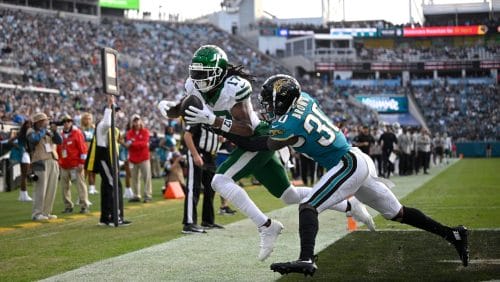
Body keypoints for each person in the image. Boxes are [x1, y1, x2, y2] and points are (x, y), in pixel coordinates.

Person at [235, 74, 468, 275]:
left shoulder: (287, 125)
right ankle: (452, 234)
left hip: (348, 164)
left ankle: (306, 258)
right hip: (356, 160)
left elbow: (266, 144)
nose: (266, 106)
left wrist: (223, 127)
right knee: (397, 213)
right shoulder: (304, 99)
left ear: (281, 100)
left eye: (269, 101)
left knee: (308, 205)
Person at [157, 45, 374, 261]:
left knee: (220, 180)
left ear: (220, 72)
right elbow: (183, 109)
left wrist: (214, 120)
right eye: (195, 73)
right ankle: (349, 205)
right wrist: (169, 109)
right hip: (245, 146)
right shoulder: (194, 86)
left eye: (204, 74)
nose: (198, 79)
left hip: (257, 140)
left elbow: (247, 129)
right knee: (289, 196)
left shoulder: (233, 88)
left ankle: (266, 226)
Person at [85, 96, 130, 226]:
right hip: (105, 160)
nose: (115, 114)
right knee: (114, 186)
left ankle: (105, 217)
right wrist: (109, 107)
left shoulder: (113, 129)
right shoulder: (102, 126)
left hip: (110, 160)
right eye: (114, 111)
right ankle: (114, 217)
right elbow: (106, 123)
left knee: (107, 187)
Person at [182, 122, 225, 233]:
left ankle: (207, 220)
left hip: (211, 155)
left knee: (211, 189)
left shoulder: (217, 116)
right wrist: (195, 155)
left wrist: (220, 139)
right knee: (194, 187)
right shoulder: (199, 114)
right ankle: (189, 223)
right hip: (198, 152)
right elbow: (187, 135)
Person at [27, 112, 62, 221]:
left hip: (52, 159)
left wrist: (55, 132)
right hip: (40, 161)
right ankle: (37, 213)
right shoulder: (31, 131)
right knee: (40, 188)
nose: (46, 122)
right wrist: (43, 130)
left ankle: (46, 212)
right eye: (44, 120)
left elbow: (59, 141)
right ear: (38, 122)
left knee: (52, 188)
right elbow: (34, 140)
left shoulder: (48, 132)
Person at [57, 114, 90, 214]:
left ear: (71, 122)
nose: (66, 123)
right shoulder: (60, 135)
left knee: (80, 185)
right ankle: (68, 206)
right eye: (64, 122)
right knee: (64, 187)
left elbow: (83, 149)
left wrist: (81, 163)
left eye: (68, 121)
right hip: (64, 165)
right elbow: (58, 149)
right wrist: (59, 161)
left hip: (75, 165)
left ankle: (84, 205)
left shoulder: (77, 133)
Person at [125, 114, 153, 203]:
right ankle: (136, 195)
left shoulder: (145, 131)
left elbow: (144, 143)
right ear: (132, 122)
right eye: (134, 121)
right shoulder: (129, 133)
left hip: (144, 157)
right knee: (134, 178)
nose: (136, 122)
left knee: (146, 177)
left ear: (140, 121)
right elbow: (130, 145)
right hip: (133, 158)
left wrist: (133, 144)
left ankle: (147, 195)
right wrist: (136, 144)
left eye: (137, 120)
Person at [8, 120, 33, 201]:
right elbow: (10, 141)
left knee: (24, 175)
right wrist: (19, 147)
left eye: (30, 124)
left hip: (26, 154)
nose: (28, 125)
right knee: (24, 175)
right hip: (23, 155)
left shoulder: (29, 133)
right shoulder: (22, 133)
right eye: (27, 124)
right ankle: (24, 195)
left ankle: (22, 195)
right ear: (25, 125)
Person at [80, 112, 98, 195]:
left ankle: (93, 187)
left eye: (89, 119)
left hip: (93, 151)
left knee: (93, 170)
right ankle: (83, 190)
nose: (88, 120)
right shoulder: (80, 130)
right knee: (86, 171)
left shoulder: (94, 129)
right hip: (84, 152)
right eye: (86, 119)